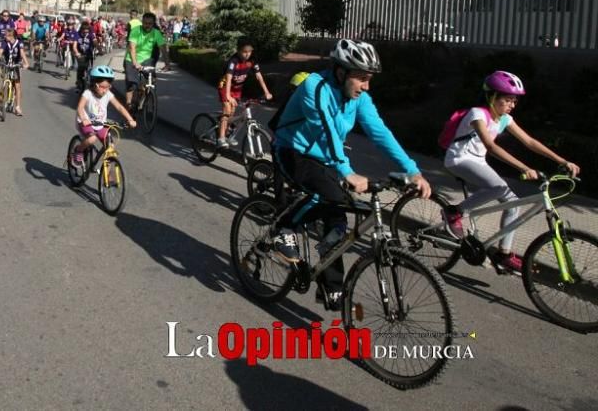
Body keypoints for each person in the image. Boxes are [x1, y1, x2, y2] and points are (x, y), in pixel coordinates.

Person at [267, 39, 432, 309]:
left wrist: (412, 171)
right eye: (362, 78)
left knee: (339, 218)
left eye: (369, 79)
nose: (366, 86)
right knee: (329, 194)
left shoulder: (360, 99)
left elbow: (380, 133)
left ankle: (330, 288)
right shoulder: (315, 86)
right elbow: (325, 130)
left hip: (325, 158)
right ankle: (283, 228)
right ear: (341, 71)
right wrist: (346, 171)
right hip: (292, 150)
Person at [441, 71, 580, 273]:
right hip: (458, 159)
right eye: (507, 100)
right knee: (498, 187)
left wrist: (561, 160)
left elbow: (529, 142)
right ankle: (454, 211)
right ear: (492, 97)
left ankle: (503, 254)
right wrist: (524, 168)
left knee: (512, 204)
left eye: (514, 101)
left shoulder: (505, 119)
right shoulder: (477, 114)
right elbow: (490, 146)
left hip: (478, 161)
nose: (512, 104)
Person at [70, 65, 137, 169]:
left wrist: (130, 119)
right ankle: (78, 150)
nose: (105, 90)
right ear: (94, 84)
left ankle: (108, 175)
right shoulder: (87, 94)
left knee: (110, 148)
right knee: (92, 139)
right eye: (102, 87)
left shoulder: (108, 94)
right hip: (86, 124)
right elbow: (80, 107)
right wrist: (84, 119)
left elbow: (119, 107)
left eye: (108, 87)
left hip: (100, 125)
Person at [217, 37, 274, 148]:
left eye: (249, 51)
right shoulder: (233, 61)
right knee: (227, 110)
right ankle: (221, 137)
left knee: (233, 112)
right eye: (244, 52)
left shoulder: (252, 60)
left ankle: (228, 134)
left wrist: (267, 92)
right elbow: (228, 79)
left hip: (237, 89)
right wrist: (228, 95)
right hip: (225, 87)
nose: (247, 54)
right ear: (238, 50)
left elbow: (259, 76)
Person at [123, 12, 170, 111]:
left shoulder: (156, 33)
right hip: (131, 59)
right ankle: (128, 106)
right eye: (145, 23)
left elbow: (163, 49)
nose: (147, 25)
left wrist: (167, 64)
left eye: (150, 23)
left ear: (153, 24)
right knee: (131, 84)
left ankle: (143, 94)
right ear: (142, 22)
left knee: (152, 79)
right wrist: (135, 62)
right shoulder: (136, 31)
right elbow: (132, 47)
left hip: (146, 60)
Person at [0, 27, 29, 116]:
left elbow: (22, 53)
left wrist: (26, 63)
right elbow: (0, 51)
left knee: (17, 86)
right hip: (7, 65)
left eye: (6, 35)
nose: (5, 37)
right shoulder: (4, 42)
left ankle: (18, 107)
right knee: (3, 86)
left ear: (11, 36)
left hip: (16, 65)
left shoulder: (19, 43)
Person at [74, 20, 97, 90]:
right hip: (80, 54)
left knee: (90, 69)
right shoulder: (77, 34)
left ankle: (91, 83)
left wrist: (98, 47)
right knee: (80, 69)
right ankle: (78, 83)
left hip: (88, 54)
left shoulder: (90, 34)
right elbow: (74, 46)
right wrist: (76, 52)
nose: (85, 33)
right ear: (81, 30)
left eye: (87, 31)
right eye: (84, 32)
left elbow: (94, 41)